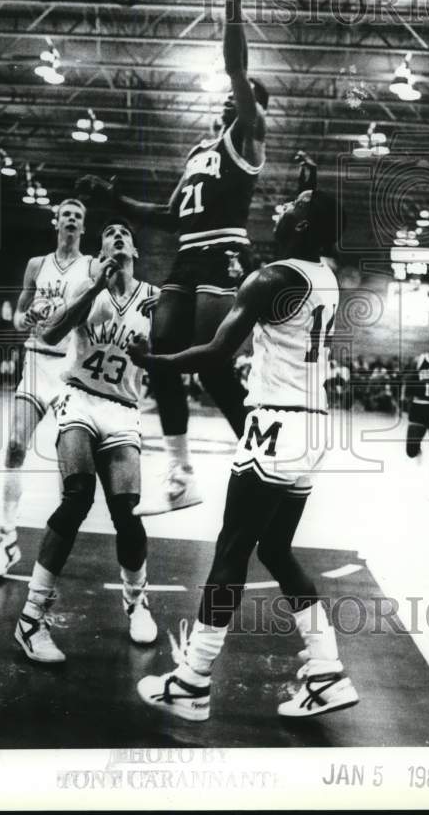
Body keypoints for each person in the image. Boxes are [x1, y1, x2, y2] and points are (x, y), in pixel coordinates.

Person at [127, 185, 359, 721]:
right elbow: (318, 217)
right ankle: (326, 671)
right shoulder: (323, 274)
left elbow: (213, 355)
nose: (280, 210)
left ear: (302, 227)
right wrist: (311, 186)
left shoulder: (270, 279)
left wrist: (157, 361)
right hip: (315, 427)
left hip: (276, 424)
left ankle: (192, 680)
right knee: (275, 550)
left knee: (231, 551)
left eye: (293, 207)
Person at [76, 0, 268, 515]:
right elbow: (167, 214)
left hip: (224, 257)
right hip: (186, 257)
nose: (230, 102)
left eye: (242, 99)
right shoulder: (197, 151)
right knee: (159, 356)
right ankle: (182, 474)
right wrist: (113, 198)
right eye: (233, 100)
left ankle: (261, 455)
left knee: (210, 363)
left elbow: (237, 66)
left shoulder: (249, 136)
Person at [14, 219, 159, 662]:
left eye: (123, 234)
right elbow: (51, 334)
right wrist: (93, 288)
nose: (116, 237)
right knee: (76, 498)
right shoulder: (89, 286)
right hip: (78, 400)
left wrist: (150, 354)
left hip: (122, 409)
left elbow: (171, 354)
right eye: (108, 235)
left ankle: (136, 601)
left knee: (127, 512)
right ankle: (31, 618)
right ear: (101, 252)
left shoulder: (153, 297)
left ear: (134, 247)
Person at [0, 199, 94, 577]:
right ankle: (6, 539)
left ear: (83, 226)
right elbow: (17, 322)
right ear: (56, 222)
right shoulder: (36, 265)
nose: (72, 221)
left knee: (72, 471)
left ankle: (55, 552)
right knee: (14, 444)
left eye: (78, 216)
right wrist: (27, 316)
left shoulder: (91, 266)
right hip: (35, 361)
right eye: (67, 215)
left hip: (68, 371)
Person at [404, 346, 429, 465]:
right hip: (418, 407)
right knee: (411, 451)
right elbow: (409, 380)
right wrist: (407, 399)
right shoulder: (420, 360)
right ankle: (417, 450)